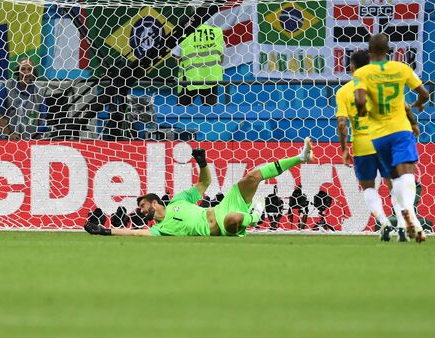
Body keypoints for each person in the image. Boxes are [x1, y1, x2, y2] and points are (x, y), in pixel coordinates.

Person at [84, 138, 314, 237]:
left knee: (252, 177)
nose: (142, 211)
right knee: (234, 219)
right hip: (222, 226)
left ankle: (300, 157)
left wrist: (202, 163)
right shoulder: (160, 229)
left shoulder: (179, 201)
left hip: (222, 207)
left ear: (155, 202)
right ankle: (254, 215)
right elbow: (134, 233)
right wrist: (106, 231)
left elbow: (204, 183)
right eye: (141, 210)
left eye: (143, 206)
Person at [354, 34, 430, 243]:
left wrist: (363, 113)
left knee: (393, 179)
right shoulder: (402, 69)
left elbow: (359, 100)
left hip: (378, 135)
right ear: (389, 51)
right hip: (401, 130)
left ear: (369, 52)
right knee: (405, 176)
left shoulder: (362, 73)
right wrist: (419, 104)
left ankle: (406, 218)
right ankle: (409, 215)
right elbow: (424, 93)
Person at [336, 50, 409, 242]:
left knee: (368, 187)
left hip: (362, 146)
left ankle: (384, 222)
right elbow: (405, 108)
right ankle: (402, 223)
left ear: (351, 68)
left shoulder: (344, 92)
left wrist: (344, 149)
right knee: (394, 185)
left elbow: (342, 124)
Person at [0, 58, 46, 140]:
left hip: (30, 139)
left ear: (33, 73)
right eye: (23, 69)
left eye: (29, 69)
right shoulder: (6, 87)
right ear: (17, 71)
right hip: (6, 138)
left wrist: (35, 137)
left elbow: (42, 119)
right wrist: (9, 134)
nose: (26, 72)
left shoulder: (40, 92)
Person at [173, 24, 224, 105]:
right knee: (210, 113)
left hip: (190, 78)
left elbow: (177, 57)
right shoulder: (217, 31)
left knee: (181, 112)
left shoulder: (183, 33)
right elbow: (221, 55)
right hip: (211, 78)